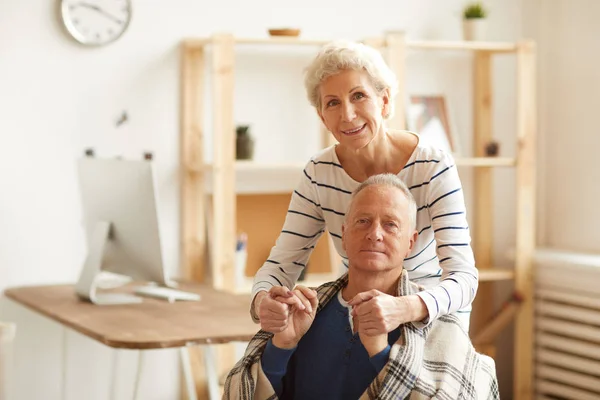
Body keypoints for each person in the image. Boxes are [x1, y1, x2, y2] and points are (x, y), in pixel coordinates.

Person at [251, 40, 478, 334]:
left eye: (358, 96)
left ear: (384, 102)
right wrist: (262, 302)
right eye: (333, 103)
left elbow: (464, 277)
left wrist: (406, 307)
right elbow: (280, 267)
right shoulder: (319, 174)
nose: (347, 114)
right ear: (322, 117)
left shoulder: (433, 166)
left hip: (432, 318)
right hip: (362, 316)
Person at [224, 175, 498, 400]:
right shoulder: (304, 311)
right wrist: (282, 345)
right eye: (363, 221)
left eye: (390, 225)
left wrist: (380, 353)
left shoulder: (440, 325)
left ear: (410, 243)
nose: (374, 233)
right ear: (343, 233)